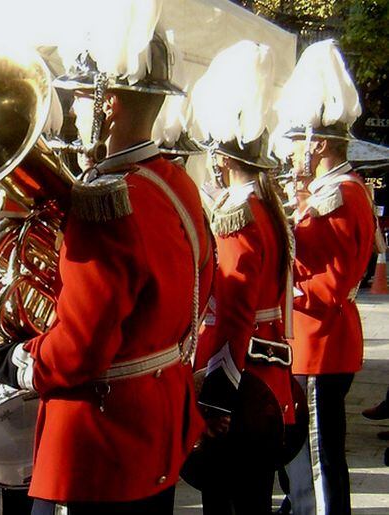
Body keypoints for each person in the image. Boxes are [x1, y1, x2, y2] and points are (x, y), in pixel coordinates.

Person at [0, 13, 215, 514]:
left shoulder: (103, 204)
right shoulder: (177, 185)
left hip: (99, 440)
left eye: (81, 97)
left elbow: (78, 351)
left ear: (106, 104)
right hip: (157, 420)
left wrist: (9, 359)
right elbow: (200, 287)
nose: (73, 108)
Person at [189, 40, 300, 515]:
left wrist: (215, 400)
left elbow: (234, 316)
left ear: (222, 156)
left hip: (241, 390)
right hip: (270, 382)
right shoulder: (267, 209)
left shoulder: (237, 215)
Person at [276, 39, 381, 515]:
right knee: (304, 457)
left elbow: (329, 286)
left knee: (319, 461)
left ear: (316, 143)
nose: (293, 152)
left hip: (322, 342)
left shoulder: (339, 196)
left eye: (297, 143)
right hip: (314, 343)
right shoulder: (329, 191)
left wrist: (279, 289)